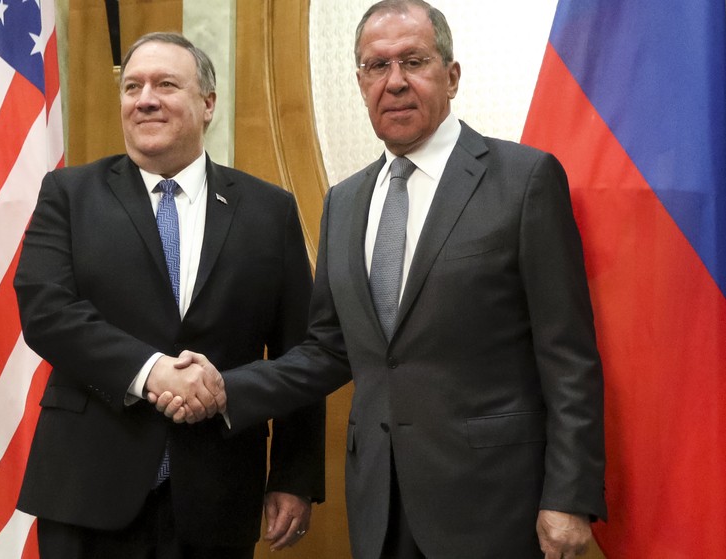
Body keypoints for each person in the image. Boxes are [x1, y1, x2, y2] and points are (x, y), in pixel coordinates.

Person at [156, 2, 606, 558]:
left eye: (413, 61)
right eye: (376, 66)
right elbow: (327, 350)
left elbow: (569, 358)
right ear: (361, 81)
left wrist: (569, 495)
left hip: (495, 504)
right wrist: (228, 388)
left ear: (452, 75)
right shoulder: (345, 202)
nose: (394, 82)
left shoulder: (524, 180)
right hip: (379, 505)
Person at [13, 32, 325, 559]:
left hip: (218, 494)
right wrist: (150, 370)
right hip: (87, 489)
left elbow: (302, 350)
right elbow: (46, 312)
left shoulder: (269, 211)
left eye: (165, 84)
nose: (145, 98)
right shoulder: (68, 194)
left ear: (208, 104)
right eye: (132, 86)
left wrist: (293, 474)